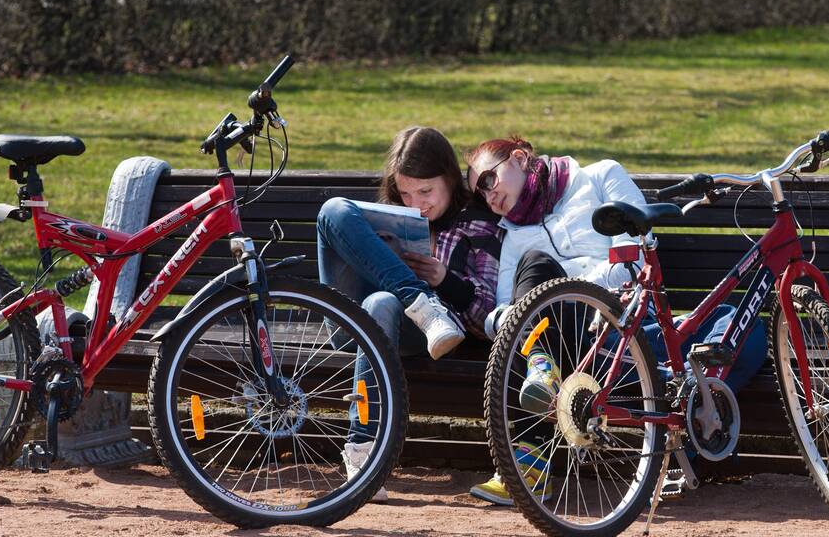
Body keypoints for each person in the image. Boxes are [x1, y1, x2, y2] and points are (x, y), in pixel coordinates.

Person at [464, 136, 767, 504]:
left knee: (742, 324)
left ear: (519, 158)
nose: (488, 197)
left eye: (488, 181)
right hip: (577, 345)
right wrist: (557, 298)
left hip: (636, 330)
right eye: (480, 194)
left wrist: (569, 288)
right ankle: (538, 396)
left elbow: (635, 263)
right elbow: (502, 316)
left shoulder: (600, 177)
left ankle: (694, 410)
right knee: (537, 268)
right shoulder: (514, 238)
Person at [316, 126, 502, 502]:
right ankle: (418, 299)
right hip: (353, 322)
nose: (416, 204)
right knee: (332, 210)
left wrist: (443, 278)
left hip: (425, 333)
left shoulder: (477, 222)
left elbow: (488, 312)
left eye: (426, 191)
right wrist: (379, 256)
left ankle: (363, 452)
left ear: (450, 180)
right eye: (405, 193)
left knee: (381, 304)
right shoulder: (391, 214)